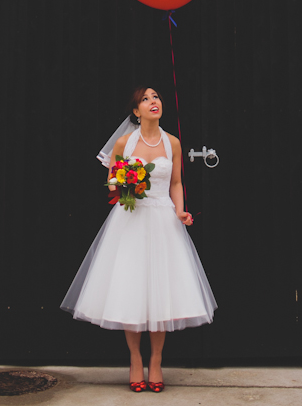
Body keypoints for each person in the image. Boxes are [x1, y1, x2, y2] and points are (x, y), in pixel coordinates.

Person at [60, 86, 217, 393]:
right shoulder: (123, 142)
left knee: (161, 293)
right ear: (136, 111)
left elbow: (176, 181)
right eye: (145, 99)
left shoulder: (172, 142)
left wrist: (181, 212)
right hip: (130, 221)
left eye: (155, 97)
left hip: (162, 220)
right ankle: (135, 359)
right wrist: (128, 184)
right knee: (130, 291)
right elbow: (112, 181)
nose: (152, 102)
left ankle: (156, 360)